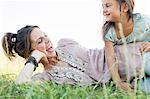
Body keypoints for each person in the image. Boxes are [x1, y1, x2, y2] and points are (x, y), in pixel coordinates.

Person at [2, 25, 150, 93]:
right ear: (30, 51)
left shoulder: (65, 43)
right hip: (131, 82)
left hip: (131, 56)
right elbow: (20, 86)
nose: (47, 41)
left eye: (45, 35)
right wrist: (33, 59)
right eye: (39, 41)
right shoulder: (46, 77)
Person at [102, 0, 150, 92]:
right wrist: (118, 82)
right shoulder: (109, 31)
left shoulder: (144, 21)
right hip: (133, 69)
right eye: (103, 6)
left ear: (124, 7)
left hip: (146, 57)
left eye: (107, 6)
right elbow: (110, 57)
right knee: (144, 87)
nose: (104, 10)